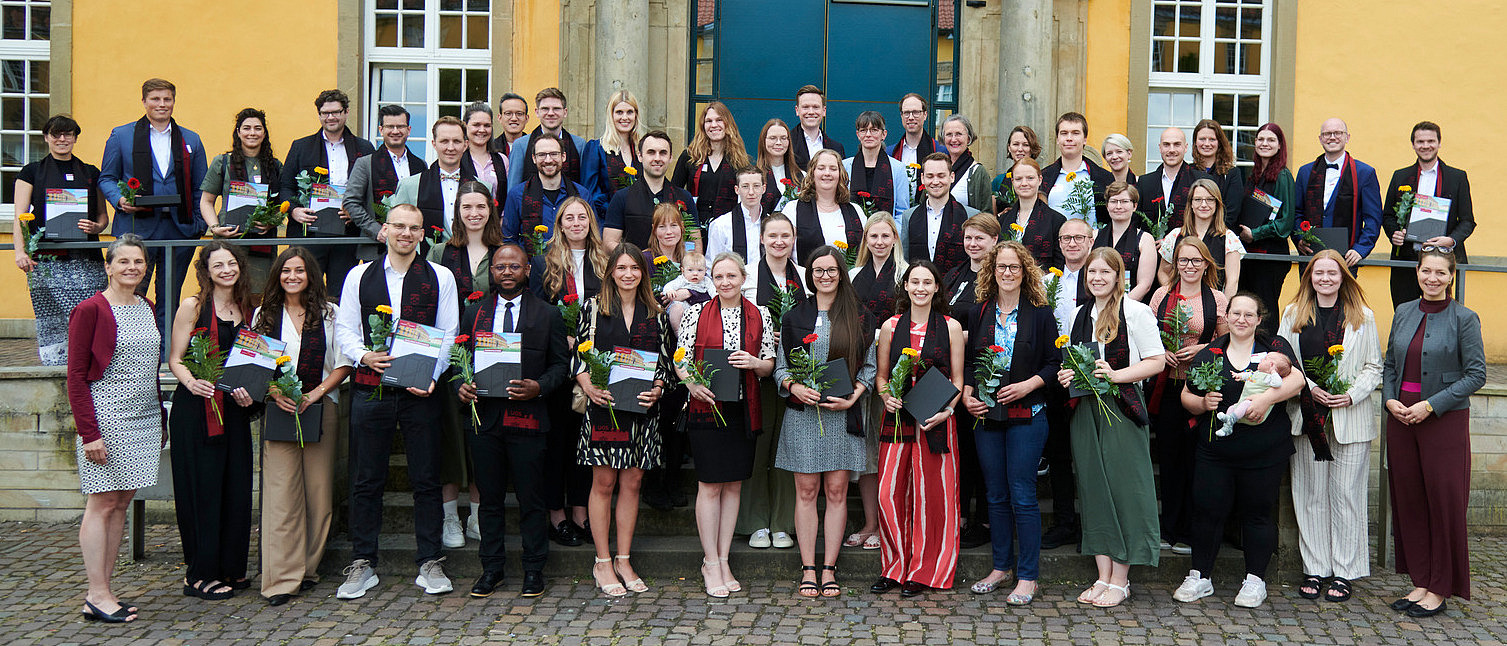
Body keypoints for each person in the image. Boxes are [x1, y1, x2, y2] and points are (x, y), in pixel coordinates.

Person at [333, 204, 460, 600]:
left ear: (423, 234)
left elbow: (448, 333)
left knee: (426, 477)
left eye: (414, 228)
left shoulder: (441, 277)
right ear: (385, 229)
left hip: (420, 391)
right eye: (399, 226)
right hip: (371, 388)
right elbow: (345, 328)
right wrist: (363, 356)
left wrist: (433, 377)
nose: (406, 233)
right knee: (366, 478)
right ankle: (362, 562)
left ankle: (430, 560)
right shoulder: (358, 275)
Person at [456, 244, 572, 599]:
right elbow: (459, 361)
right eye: (500, 266)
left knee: (531, 499)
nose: (507, 272)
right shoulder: (474, 314)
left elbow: (560, 367)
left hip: (529, 421)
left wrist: (539, 387)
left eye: (514, 266)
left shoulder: (548, 314)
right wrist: (461, 386)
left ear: (527, 271)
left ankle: (534, 569)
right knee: (489, 500)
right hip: (486, 423)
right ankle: (491, 569)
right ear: (492, 271)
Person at [1176, 293, 1305, 609]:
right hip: (1216, 449)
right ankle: (1200, 576)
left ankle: (1255, 580)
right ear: (1227, 316)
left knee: (1258, 514)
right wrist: (1203, 403)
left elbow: (1299, 381)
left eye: (1249, 314)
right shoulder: (1211, 353)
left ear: (1259, 319)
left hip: (1263, 451)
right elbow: (1186, 396)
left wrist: (1265, 400)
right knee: (1207, 512)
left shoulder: (1274, 348)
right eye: (1236, 313)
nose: (1242, 319)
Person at [1055, 248, 1166, 609]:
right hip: (1086, 407)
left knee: (1124, 490)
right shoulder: (1077, 313)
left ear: (1119, 276)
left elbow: (1157, 361)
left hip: (1122, 407)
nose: (1097, 278)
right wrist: (1067, 374)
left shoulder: (1136, 312)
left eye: (1105, 272)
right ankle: (1103, 575)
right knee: (1093, 488)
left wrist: (1116, 376)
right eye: (1092, 273)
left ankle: (1121, 580)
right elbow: (1075, 358)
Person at [1381, 248, 1484, 617]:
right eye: (1427, 271)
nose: (1433, 278)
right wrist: (1390, 401)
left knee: (1443, 502)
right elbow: (1390, 364)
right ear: (1418, 273)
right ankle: (1421, 581)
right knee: (1409, 500)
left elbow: (1477, 374)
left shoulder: (1465, 319)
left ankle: (1440, 587)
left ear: (1451, 276)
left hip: (1443, 422)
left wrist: (1430, 405)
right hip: (1401, 420)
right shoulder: (1404, 311)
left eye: (1441, 272)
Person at [1277, 249, 1382, 603]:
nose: (1325, 278)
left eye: (1332, 273)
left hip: (1349, 419)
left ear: (1343, 276)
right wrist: (1309, 386)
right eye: (1318, 273)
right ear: (1309, 277)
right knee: (1310, 496)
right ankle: (1315, 567)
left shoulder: (1362, 316)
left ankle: (1344, 571)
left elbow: (1374, 367)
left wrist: (1351, 395)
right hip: (1307, 415)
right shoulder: (1292, 314)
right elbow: (1280, 363)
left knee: (1348, 497)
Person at [959, 242, 1059, 604]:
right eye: (1001, 267)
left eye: (1014, 267)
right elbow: (970, 360)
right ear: (992, 270)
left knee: (1022, 495)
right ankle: (1001, 567)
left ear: (1025, 271)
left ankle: (1028, 576)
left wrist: (1028, 385)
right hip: (987, 416)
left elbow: (1053, 362)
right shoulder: (980, 311)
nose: (1007, 273)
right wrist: (968, 393)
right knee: (996, 495)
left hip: (1027, 416)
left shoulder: (1040, 313)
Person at [251, 247, 351, 606]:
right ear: (277, 275)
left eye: (299, 271)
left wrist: (316, 393)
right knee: (281, 496)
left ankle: (307, 569)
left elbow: (344, 363)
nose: (292, 277)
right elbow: (256, 364)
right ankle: (280, 579)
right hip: (279, 409)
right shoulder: (264, 314)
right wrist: (276, 392)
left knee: (318, 495)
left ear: (312, 274)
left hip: (321, 407)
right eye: (285, 271)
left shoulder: (330, 314)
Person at [67, 235, 158, 623]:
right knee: (101, 504)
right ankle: (97, 592)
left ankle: (104, 591)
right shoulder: (90, 309)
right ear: (107, 266)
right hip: (106, 419)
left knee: (121, 504)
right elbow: (74, 377)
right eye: (123, 262)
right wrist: (90, 433)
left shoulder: (147, 307)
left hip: (144, 418)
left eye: (138, 262)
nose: (131, 268)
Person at [774, 246, 875, 598]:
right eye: (818, 270)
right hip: (804, 416)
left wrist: (855, 394)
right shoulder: (794, 316)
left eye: (831, 270)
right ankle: (808, 567)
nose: (825, 276)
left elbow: (871, 366)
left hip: (841, 414)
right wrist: (794, 386)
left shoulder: (860, 316)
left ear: (841, 273)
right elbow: (780, 366)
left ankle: (829, 568)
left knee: (836, 492)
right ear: (810, 275)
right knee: (806, 492)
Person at [574, 243, 673, 597]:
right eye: (621, 268)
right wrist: (588, 387)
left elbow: (666, 363)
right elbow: (579, 358)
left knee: (632, 484)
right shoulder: (593, 308)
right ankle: (602, 561)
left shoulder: (656, 312)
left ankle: (624, 558)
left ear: (642, 273)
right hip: (605, 407)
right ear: (611, 273)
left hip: (643, 413)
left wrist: (660, 387)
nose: (628, 274)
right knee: (603, 484)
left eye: (634, 268)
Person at [676, 252, 777, 597]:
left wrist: (754, 362)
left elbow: (768, 366)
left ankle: (724, 557)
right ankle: (710, 561)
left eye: (731, 276)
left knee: (733, 485)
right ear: (712, 280)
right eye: (718, 277)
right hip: (706, 406)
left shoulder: (760, 314)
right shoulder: (695, 312)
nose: (724, 282)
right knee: (710, 485)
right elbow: (681, 359)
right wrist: (691, 383)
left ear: (743, 278)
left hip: (743, 408)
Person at [166, 240, 258, 600]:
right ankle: (199, 575)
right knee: (202, 493)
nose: (226, 270)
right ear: (206, 270)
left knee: (235, 490)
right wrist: (192, 382)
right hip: (197, 410)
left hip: (234, 411)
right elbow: (175, 358)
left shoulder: (248, 307)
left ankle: (230, 569)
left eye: (231, 263)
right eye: (218, 265)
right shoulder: (193, 306)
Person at [872, 260, 965, 598]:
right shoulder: (890, 326)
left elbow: (957, 379)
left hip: (935, 420)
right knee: (889, 494)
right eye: (915, 282)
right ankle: (895, 567)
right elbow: (882, 376)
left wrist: (949, 410)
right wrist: (885, 396)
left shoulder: (951, 326)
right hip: (896, 420)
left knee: (933, 498)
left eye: (928, 282)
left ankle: (926, 571)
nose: (921, 288)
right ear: (906, 287)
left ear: (937, 287)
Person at [527, 196, 607, 548]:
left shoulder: (605, 261)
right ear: (559, 224)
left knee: (584, 441)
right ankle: (555, 514)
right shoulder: (542, 263)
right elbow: (532, 312)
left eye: (582, 217)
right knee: (556, 441)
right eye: (568, 218)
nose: (576, 223)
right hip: (556, 364)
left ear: (591, 221)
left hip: (594, 363)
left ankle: (580, 510)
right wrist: (562, 336)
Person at [99, 78, 208, 333]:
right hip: (136, 228)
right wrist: (119, 199)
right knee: (130, 292)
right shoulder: (122, 135)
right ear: (144, 101)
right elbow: (106, 178)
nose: (162, 104)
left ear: (173, 101)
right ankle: (128, 345)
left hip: (179, 228)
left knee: (169, 297)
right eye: (155, 99)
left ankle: (163, 353)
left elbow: (201, 186)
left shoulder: (191, 139)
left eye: (167, 99)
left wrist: (199, 225)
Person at [428, 182, 502, 547]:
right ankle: (448, 519)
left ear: (490, 209)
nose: (474, 213)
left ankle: (476, 516)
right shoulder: (441, 252)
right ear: (457, 211)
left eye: (480, 206)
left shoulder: (502, 251)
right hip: (447, 356)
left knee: (480, 437)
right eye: (466, 206)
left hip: (491, 354)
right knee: (449, 438)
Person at [1148, 238, 1229, 555]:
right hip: (1168, 386)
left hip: (1200, 388)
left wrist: (1203, 349)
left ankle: (1192, 531)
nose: (1190, 266)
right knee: (1170, 460)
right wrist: (1162, 352)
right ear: (1175, 264)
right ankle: (1169, 528)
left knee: (1198, 460)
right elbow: (1148, 334)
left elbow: (1227, 341)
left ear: (1207, 264)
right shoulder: (1161, 295)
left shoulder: (1216, 299)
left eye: (1196, 261)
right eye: (1183, 261)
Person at [14, 114, 109, 365]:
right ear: (46, 137)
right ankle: (56, 372)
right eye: (56, 134)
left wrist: (96, 226)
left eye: (68, 134)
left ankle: (91, 367)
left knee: (90, 316)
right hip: (47, 261)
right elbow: (20, 216)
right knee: (52, 320)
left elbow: (102, 217)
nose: (62, 139)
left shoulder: (90, 172)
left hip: (86, 259)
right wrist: (20, 252)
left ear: (76, 138)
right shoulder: (31, 172)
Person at [736, 213, 805, 550]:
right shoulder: (746, 277)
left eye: (785, 236)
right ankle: (755, 521)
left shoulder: (804, 277)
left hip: (796, 374)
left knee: (787, 447)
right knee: (758, 445)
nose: (779, 242)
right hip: (757, 373)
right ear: (761, 239)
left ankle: (782, 522)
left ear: (793, 240)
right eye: (772, 236)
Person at [846, 213, 906, 552]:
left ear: (895, 238)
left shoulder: (905, 274)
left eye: (886, 236)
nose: (880, 242)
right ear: (866, 241)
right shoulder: (853, 275)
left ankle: (890, 523)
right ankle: (870, 522)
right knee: (868, 452)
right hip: (861, 369)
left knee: (892, 449)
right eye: (874, 236)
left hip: (896, 371)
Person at [281, 89, 375, 294]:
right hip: (309, 233)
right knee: (304, 292)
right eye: (325, 113)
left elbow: (372, 190)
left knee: (340, 293)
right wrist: (294, 211)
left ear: (346, 112)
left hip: (347, 234)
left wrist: (356, 213)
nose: (330, 117)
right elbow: (285, 186)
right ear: (319, 115)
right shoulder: (301, 146)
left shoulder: (364, 147)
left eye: (336, 112)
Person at [1040, 218, 1096, 551]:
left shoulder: (1100, 275)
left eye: (1078, 237)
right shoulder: (1049, 281)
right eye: (1065, 238)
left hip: (1091, 372)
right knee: (1060, 453)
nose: (1072, 243)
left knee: (1089, 453)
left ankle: (1093, 525)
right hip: (1055, 374)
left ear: (1091, 240)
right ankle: (1064, 522)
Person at [1383, 121, 1475, 306]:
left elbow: (1467, 221)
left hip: (1443, 259)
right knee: (1404, 311)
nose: (1426, 146)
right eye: (1420, 141)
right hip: (1406, 260)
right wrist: (1394, 234)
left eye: (1431, 141)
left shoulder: (1457, 177)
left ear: (1439, 143)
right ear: (1413, 144)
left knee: (1442, 312)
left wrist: (1451, 240)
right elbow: (1387, 216)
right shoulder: (1400, 176)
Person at [200, 108, 282, 290]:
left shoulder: (274, 166)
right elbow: (206, 201)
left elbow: (282, 206)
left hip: (261, 243)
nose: (252, 133)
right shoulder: (222, 163)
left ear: (264, 133)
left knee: (259, 294)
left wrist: (272, 222)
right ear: (238, 132)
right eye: (246, 128)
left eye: (257, 128)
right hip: (228, 240)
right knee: (226, 292)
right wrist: (215, 228)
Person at [1293, 118, 1383, 267]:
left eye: (1338, 133)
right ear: (1320, 139)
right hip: (1310, 256)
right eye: (1327, 133)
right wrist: (1300, 239)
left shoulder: (1364, 173)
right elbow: (1296, 212)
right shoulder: (1305, 172)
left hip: (1347, 258)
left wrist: (1360, 249)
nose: (1332, 137)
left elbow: (1373, 218)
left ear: (1347, 137)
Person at [345, 105, 426, 264]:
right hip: (376, 247)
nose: (395, 131)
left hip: (414, 247)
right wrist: (377, 231)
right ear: (381, 130)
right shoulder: (365, 164)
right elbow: (350, 202)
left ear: (408, 129)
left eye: (400, 126)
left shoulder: (421, 165)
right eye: (390, 126)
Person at [1235, 123, 1297, 332]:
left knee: (1265, 310)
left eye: (1271, 140)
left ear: (1280, 146)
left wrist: (1256, 234)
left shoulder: (1283, 176)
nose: (1265, 144)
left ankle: (1269, 353)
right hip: (1250, 255)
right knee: (1247, 307)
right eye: (1261, 139)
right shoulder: (1254, 175)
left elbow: (1286, 221)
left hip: (1270, 257)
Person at [394, 117, 475, 256]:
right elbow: (396, 230)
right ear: (434, 144)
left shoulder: (481, 187)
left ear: (465, 145)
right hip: (424, 263)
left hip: (470, 260)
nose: (450, 147)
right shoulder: (409, 186)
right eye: (444, 141)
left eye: (456, 141)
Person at [603, 130, 694, 250]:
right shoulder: (622, 197)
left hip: (674, 267)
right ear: (640, 156)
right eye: (651, 152)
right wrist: (635, 258)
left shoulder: (684, 197)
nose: (657, 158)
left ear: (670, 157)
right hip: (635, 267)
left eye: (663, 153)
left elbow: (694, 244)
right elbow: (609, 242)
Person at [502, 132, 591, 248]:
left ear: (563, 156)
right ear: (534, 158)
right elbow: (509, 239)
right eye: (542, 155)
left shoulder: (582, 194)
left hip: (572, 263)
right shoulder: (517, 195)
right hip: (530, 264)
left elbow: (592, 235)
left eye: (554, 154)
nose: (548, 160)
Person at [1158, 179, 1244, 298]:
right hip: (1179, 307)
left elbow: (1232, 282)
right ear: (1191, 204)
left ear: (1217, 204)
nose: (1204, 204)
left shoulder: (1228, 239)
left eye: (1209, 199)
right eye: (1198, 200)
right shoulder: (1175, 235)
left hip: (1213, 308)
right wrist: (1174, 296)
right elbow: (1163, 271)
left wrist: (1223, 310)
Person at [900, 152, 979, 277]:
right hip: (919, 289)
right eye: (930, 176)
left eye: (941, 176)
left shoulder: (971, 216)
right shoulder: (909, 216)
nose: (935, 181)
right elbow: (904, 259)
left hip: (957, 287)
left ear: (951, 177)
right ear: (922, 178)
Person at [673, 101, 750, 228]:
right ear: (703, 126)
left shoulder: (740, 161)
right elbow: (674, 192)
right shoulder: (690, 156)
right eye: (709, 121)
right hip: (693, 229)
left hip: (728, 228)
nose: (714, 125)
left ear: (727, 123)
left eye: (719, 120)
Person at [782, 149, 865, 264]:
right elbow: (782, 254)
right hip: (804, 279)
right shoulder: (792, 209)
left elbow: (865, 253)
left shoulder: (856, 211)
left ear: (840, 173)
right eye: (821, 168)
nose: (827, 173)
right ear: (812, 173)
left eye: (833, 168)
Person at [1039, 112, 1115, 227]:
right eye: (1064, 133)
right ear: (1058, 139)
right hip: (1054, 242)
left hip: (1094, 242)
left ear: (1085, 139)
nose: (1069, 138)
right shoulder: (1043, 176)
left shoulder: (1104, 177)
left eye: (1075, 133)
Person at [506, 87, 590, 190]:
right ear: (537, 112)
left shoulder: (579, 145)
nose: (550, 113)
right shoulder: (521, 145)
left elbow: (585, 187)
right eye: (545, 109)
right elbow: (513, 188)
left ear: (565, 112)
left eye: (556, 109)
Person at [996, 158, 1066, 271]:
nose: (1024, 183)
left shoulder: (1056, 220)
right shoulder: (1003, 220)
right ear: (1013, 182)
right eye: (1018, 179)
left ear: (1040, 180)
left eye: (1030, 178)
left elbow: (1059, 263)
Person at [1094, 182, 1157, 302]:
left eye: (1124, 201)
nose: (1118, 206)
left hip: (1129, 306)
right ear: (1107, 206)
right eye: (1113, 201)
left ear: (1134, 206)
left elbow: (1144, 285)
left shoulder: (1145, 239)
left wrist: (1120, 307)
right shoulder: (1094, 236)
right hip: (1097, 304)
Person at [582, 90, 642, 213]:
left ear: (636, 115)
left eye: (629, 112)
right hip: (607, 222)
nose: (624, 117)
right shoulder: (596, 148)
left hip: (640, 222)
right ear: (611, 115)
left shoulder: (642, 149)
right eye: (619, 112)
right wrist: (616, 212)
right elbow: (589, 193)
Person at [844, 111, 911, 216]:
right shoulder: (845, 167)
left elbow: (902, 212)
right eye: (863, 130)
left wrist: (889, 232)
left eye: (874, 130)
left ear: (884, 134)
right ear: (858, 135)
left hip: (886, 230)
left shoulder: (898, 168)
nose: (868, 135)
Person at [1135, 127, 1209, 223]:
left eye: (1177, 144)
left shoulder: (1202, 180)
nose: (1171, 150)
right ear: (1160, 148)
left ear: (1186, 147)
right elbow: (1136, 221)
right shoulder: (1144, 183)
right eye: (1166, 145)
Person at [1214, 353, 1292, 437]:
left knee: (1246, 403)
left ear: (1271, 365)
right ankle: (1227, 427)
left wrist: (1273, 371)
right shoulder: (1258, 373)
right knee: (1232, 408)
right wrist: (1239, 375)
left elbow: (1278, 383)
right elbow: (1249, 375)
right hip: (1242, 407)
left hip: (1253, 409)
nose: (1261, 360)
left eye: (1265, 359)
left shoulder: (1269, 378)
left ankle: (1231, 419)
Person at [1191, 119, 1245, 229]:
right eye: (1202, 139)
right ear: (1195, 143)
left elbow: (1232, 213)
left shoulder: (1232, 173)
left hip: (1221, 234)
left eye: (1212, 139)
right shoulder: (1188, 171)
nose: (1207, 144)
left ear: (1219, 142)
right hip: (1192, 236)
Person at [942, 213, 999, 312]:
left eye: (979, 238)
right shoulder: (953, 274)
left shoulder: (999, 278)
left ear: (994, 240)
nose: (972, 244)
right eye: (968, 238)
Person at [707, 167, 767, 261]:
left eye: (756, 186)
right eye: (745, 186)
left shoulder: (771, 224)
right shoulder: (721, 225)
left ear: (763, 189)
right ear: (737, 190)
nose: (751, 192)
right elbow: (712, 263)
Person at [939, 115, 991, 212]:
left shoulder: (978, 172)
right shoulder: (937, 169)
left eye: (958, 134)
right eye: (949, 134)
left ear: (968, 138)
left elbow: (986, 215)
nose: (954, 139)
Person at [460, 101, 508, 198]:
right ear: (465, 126)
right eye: (476, 125)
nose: (482, 130)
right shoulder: (457, 159)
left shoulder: (502, 160)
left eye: (487, 125)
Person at [756, 119, 804, 214]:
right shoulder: (752, 176)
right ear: (763, 141)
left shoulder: (802, 176)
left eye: (783, 138)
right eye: (773, 138)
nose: (778, 142)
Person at [990, 125, 1042, 213]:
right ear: (1009, 148)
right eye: (1016, 144)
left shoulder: (1043, 179)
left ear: (1032, 148)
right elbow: (992, 217)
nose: (1020, 149)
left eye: (1026, 145)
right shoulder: (998, 181)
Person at [791, 85, 845, 168]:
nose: (811, 112)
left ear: (824, 111)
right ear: (797, 110)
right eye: (805, 107)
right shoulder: (787, 143)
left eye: (816, 107)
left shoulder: (836, 148)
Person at [662, 250, 711, 330]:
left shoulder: (706, 281)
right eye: (690, 270)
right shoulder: (682, 280)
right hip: (683, 307)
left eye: (699, 270)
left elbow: (714, 292)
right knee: (676, 308)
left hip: (698, 310)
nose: (695, 273)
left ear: (705, 270)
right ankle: (678, 331)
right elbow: (669, 286)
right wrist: (669, 291)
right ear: (683, 271)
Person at [888, 92, 942, 166]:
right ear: (901, 116)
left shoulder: (939, 150)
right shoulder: (890, 153)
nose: (910, 118)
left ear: (925, 115)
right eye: (906, 113)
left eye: (916, 112)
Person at [491, 92, 530, 168]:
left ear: (526, 118)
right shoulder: (491, 148)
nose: (514, 118)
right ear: (500, 118)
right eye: (508, 113)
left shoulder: (534, 146)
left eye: (519, 114)